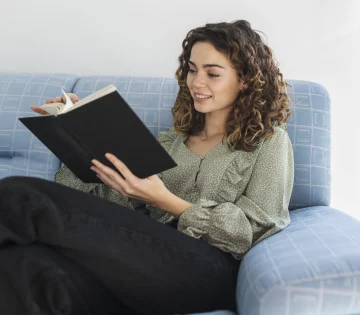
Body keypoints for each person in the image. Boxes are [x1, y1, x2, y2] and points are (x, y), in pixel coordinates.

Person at [0, 20, 294, 315]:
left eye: (212, 73)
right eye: (192, 70)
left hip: (210, 271)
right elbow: (100, 210)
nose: (196, 82)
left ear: (245, 80)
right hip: (142, 267)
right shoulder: (170, 142)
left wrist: (166, 201)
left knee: (20, 195)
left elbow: (256, 228)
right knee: (23, 267)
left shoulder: (269, 144)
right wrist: (74, 133)